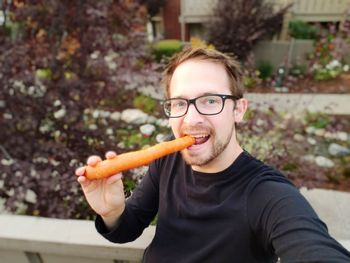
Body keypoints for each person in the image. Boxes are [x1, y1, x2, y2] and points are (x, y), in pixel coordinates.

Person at [75, 47, 350, 262]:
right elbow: (128, 229)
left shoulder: (268, 195)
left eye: (210, 100)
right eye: (180, 103)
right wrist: (112, 212)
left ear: (238, 109)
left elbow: (313, 248)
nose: (191, 118)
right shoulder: (167, 159)